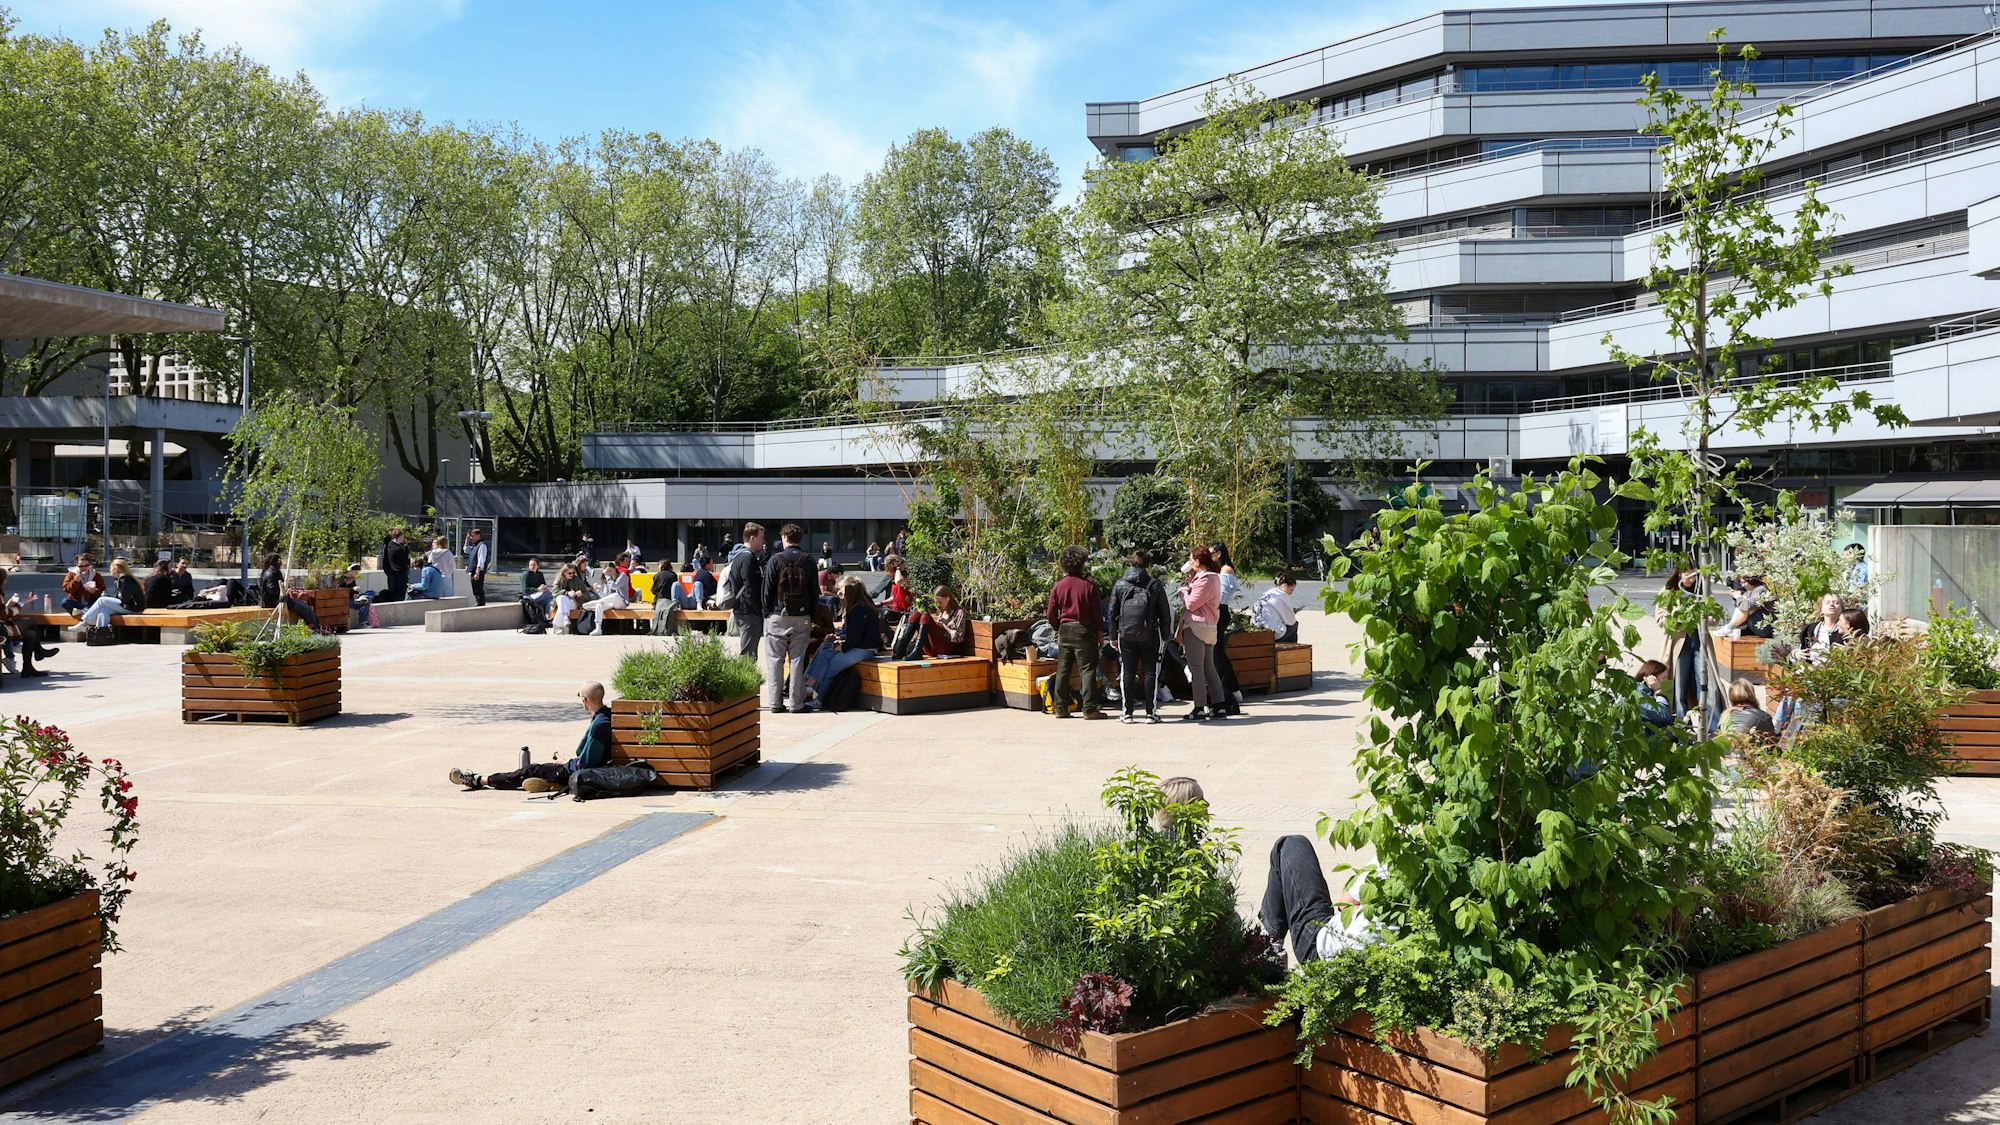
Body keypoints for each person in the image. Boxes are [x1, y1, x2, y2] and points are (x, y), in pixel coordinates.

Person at [449, 682, 614, 793]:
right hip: (576, 767)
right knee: (537, 770)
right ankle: (551, 782)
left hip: (577, 772)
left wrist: (566, 764)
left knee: (528, 771)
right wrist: (565, 761)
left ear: (585, 700)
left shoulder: (600, 724)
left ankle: (477, 780)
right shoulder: (606, 715)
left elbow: (587, 763)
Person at [1259, 834, 1372, 965]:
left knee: (1291, 844)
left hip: (1324, 949)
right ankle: (1271, 947)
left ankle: (1272, 949)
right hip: (1374, 960)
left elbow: (1345, 902)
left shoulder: (1392, 858)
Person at [1045, 545, 1108, 720]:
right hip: (1084, 630)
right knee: (1087, 670)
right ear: (1082, 563)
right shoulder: (1089, 586)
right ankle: (1089, 709)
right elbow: (1097, 613)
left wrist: (1057, 627)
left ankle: (1060, 708)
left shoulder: (1058, 586)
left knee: (1063, 669)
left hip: (1065, 630)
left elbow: (1050, 613)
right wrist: (1100, 633)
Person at [1110, 549, 1172, 724]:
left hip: (1126, 634)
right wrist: (1165, 636)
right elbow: (1165, 613)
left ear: (1131, 563)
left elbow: (1113, 611)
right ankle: (1150, 713)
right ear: (1147, 565)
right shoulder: (1154, 584)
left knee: (1127, 673)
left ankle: (1127, 713)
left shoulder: (1120, 584)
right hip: (1150, 634)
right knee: (1151, 672)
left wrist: (1114, 635)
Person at [802, 579, 882, 710]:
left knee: (831, 666)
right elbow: (852, 634)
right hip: (859, 646)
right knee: (825, 648)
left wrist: (842, 646)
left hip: (864, 649)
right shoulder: (859, 608)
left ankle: (818, 696)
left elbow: (855, 637)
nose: (839, 595)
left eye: (842, 593)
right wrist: (838, 638)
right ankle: (811, 683)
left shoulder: (859, 610)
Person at [761, 523, 816, 714]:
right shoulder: (808, 561)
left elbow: (767, 590)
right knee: (797, 660)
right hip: (801, 617)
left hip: (777, 615)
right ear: (799, 539)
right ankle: (796, 703)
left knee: (775, 660)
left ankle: (775, 703)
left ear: (784, 538)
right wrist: (811, 615)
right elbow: (814, 592)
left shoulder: (775, 560)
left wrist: (767, 614)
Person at [1178, 545, 1227, 720]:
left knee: (1196, 669)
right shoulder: (1213, 577)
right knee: (1208, 667)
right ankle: (1219, 705)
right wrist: (1191, 580)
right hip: (1209, 627)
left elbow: (1192, 604)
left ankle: (1199, 707)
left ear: (1197, 562)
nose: (1189, 563)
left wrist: (1183, 591)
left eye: (1191, 559)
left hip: (1196, 627)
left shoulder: (1205, 578)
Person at [1655, 565, 1703, 715]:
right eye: (1688, 574)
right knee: (1679, 681)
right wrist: (1676, 615)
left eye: (1694, 575)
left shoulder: (1700, 591)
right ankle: (1681, 718)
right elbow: (1660, 619)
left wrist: (1702, 616)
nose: (1691, 579)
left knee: (1703, 680)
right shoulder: (1668, 591)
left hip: (1698, 639)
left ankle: (1707, 718)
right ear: (1680, 573)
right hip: (1678, 641)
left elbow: (1714, 617)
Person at [0, 568, 58, 677]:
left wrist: (20, 603)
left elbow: (3, 612)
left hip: (2, 624)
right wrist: (20, 604)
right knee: (31, 622)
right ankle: (39, 653)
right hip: (1, 628)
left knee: (31, 634)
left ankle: (28, 668)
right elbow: (4, 614)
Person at [723, 522, 767, 658]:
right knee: (748, 653)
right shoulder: (747, 558)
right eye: (761, 537)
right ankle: (745, 678)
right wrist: (759, 609)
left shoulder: (739, 556)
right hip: (748, 611)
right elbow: (750, 586)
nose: (763, 541)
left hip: (743, 609)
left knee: (749, 650)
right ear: (752, 538)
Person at [79, 560, 145, 635]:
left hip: (134, 608)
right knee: (103, 610)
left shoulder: (126, 579)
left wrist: (114, 597)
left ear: (115, 569)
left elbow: (125, 599)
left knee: (102, 600)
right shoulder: (120, 579)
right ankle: (101, 633)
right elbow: (120, 598)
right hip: (127, 606)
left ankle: (84, 623)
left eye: (110, 568)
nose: (109, 570)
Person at [258, 554, 320, 626]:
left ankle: (314, 625)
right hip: (275, 601)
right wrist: (284, 587)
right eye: (279, 561)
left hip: (276, 600)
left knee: (304, 604)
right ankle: (315, 627)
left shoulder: (270, 572)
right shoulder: (271, 573)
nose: (281, 563)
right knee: (305, 608)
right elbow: (272, 589)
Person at [910, 585, 969, 658]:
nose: (938, 605)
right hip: (934, 648)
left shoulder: (959, 612)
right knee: (917, 615)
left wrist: (944, 626)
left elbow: (958, 638)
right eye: (936, 602)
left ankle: (917, 651)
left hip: (948, 648)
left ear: (948, 598)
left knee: (926, 616)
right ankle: (902, 650)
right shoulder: (942, 612)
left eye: (940, 602)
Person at [580, 562, 631, 635]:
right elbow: (606, 596)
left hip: (622, 603)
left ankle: (594, 603)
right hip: (611, 604)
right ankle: (598, 628)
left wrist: (607, 576)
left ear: (615, 569)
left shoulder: (622, 576)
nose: (609, 573)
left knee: (615, 595)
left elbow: (614, 586)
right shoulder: (608, 580)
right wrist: (598, 591)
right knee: (599, 605)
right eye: (607, 571)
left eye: (610, 570)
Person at [1251, 573, 1301, 643]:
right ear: (1285, 586)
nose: (1291, 593)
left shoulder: (1267, 593)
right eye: (1291, 590)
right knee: (1294, 625)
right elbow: (1290, 621)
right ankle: (1289, 651)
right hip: (1270, 633)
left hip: (1256, 628)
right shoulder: (1281, 596)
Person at [1726, 575, 1774, 639]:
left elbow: (1747, 607)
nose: (1742, 585)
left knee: (1746, 607)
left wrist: (1738, 597)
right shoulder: (1750, 592)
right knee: (1743, 604)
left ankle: (1729, 628)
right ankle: (1729, 628)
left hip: (1766, 629)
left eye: (1744, 582)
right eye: (1741, 583)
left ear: (1752, 581)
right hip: (1756, 628)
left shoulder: (1761, 589)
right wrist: (1736, 597)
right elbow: (1739, 607)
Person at [1634, 659, 1674, 728]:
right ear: (1651, 678)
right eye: (1663, 678)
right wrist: (1658, 691)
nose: (1665, 681)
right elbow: (1663, 715)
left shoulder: (1648, 691)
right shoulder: (1639, 694)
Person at [552, 562, 589, 634]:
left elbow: (584, 591)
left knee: (563, 602)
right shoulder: (559, 579)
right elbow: (554, 590)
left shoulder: (576, 579)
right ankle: (565, 617)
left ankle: (558, 627)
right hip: (561, 601)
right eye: (569, 573)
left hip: (574, 601)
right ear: (564, 572)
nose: (571, 574)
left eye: (573, 572)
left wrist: (578, 593)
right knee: (562, 598)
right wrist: (567, 593)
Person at [380, 529, 411, 603]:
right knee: (400, 596)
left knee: (392, 594)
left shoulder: (388, 546)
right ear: (400, 537)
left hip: (391, 573)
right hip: (400, 574)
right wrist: (406, 548)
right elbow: (405, 561)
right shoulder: (398, 549)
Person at [462, 528, 490, 607]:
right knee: (475, 589)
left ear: (478, 535)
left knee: (478, 589)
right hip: (473, 571)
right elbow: (466, 550)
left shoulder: (482, 546)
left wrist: (477, 572)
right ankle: (479, 603)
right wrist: (467, 539)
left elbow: (481, 560)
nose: (471, 538)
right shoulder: (475, 546)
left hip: (477, 571)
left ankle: (480, 604)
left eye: (473, 536)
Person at [520, 558, 552, 626]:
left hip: (540, 595)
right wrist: (537, 589)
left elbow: (543, 585)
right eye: (530, 565)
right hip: (529, 596)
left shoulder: (540, 574)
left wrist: (544, 588)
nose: (532, 566)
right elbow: (524, 590)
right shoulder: (525, 575)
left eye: (534, 565)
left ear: (537, 566)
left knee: (550, 601)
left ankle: (547, 618)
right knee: (550, 595)